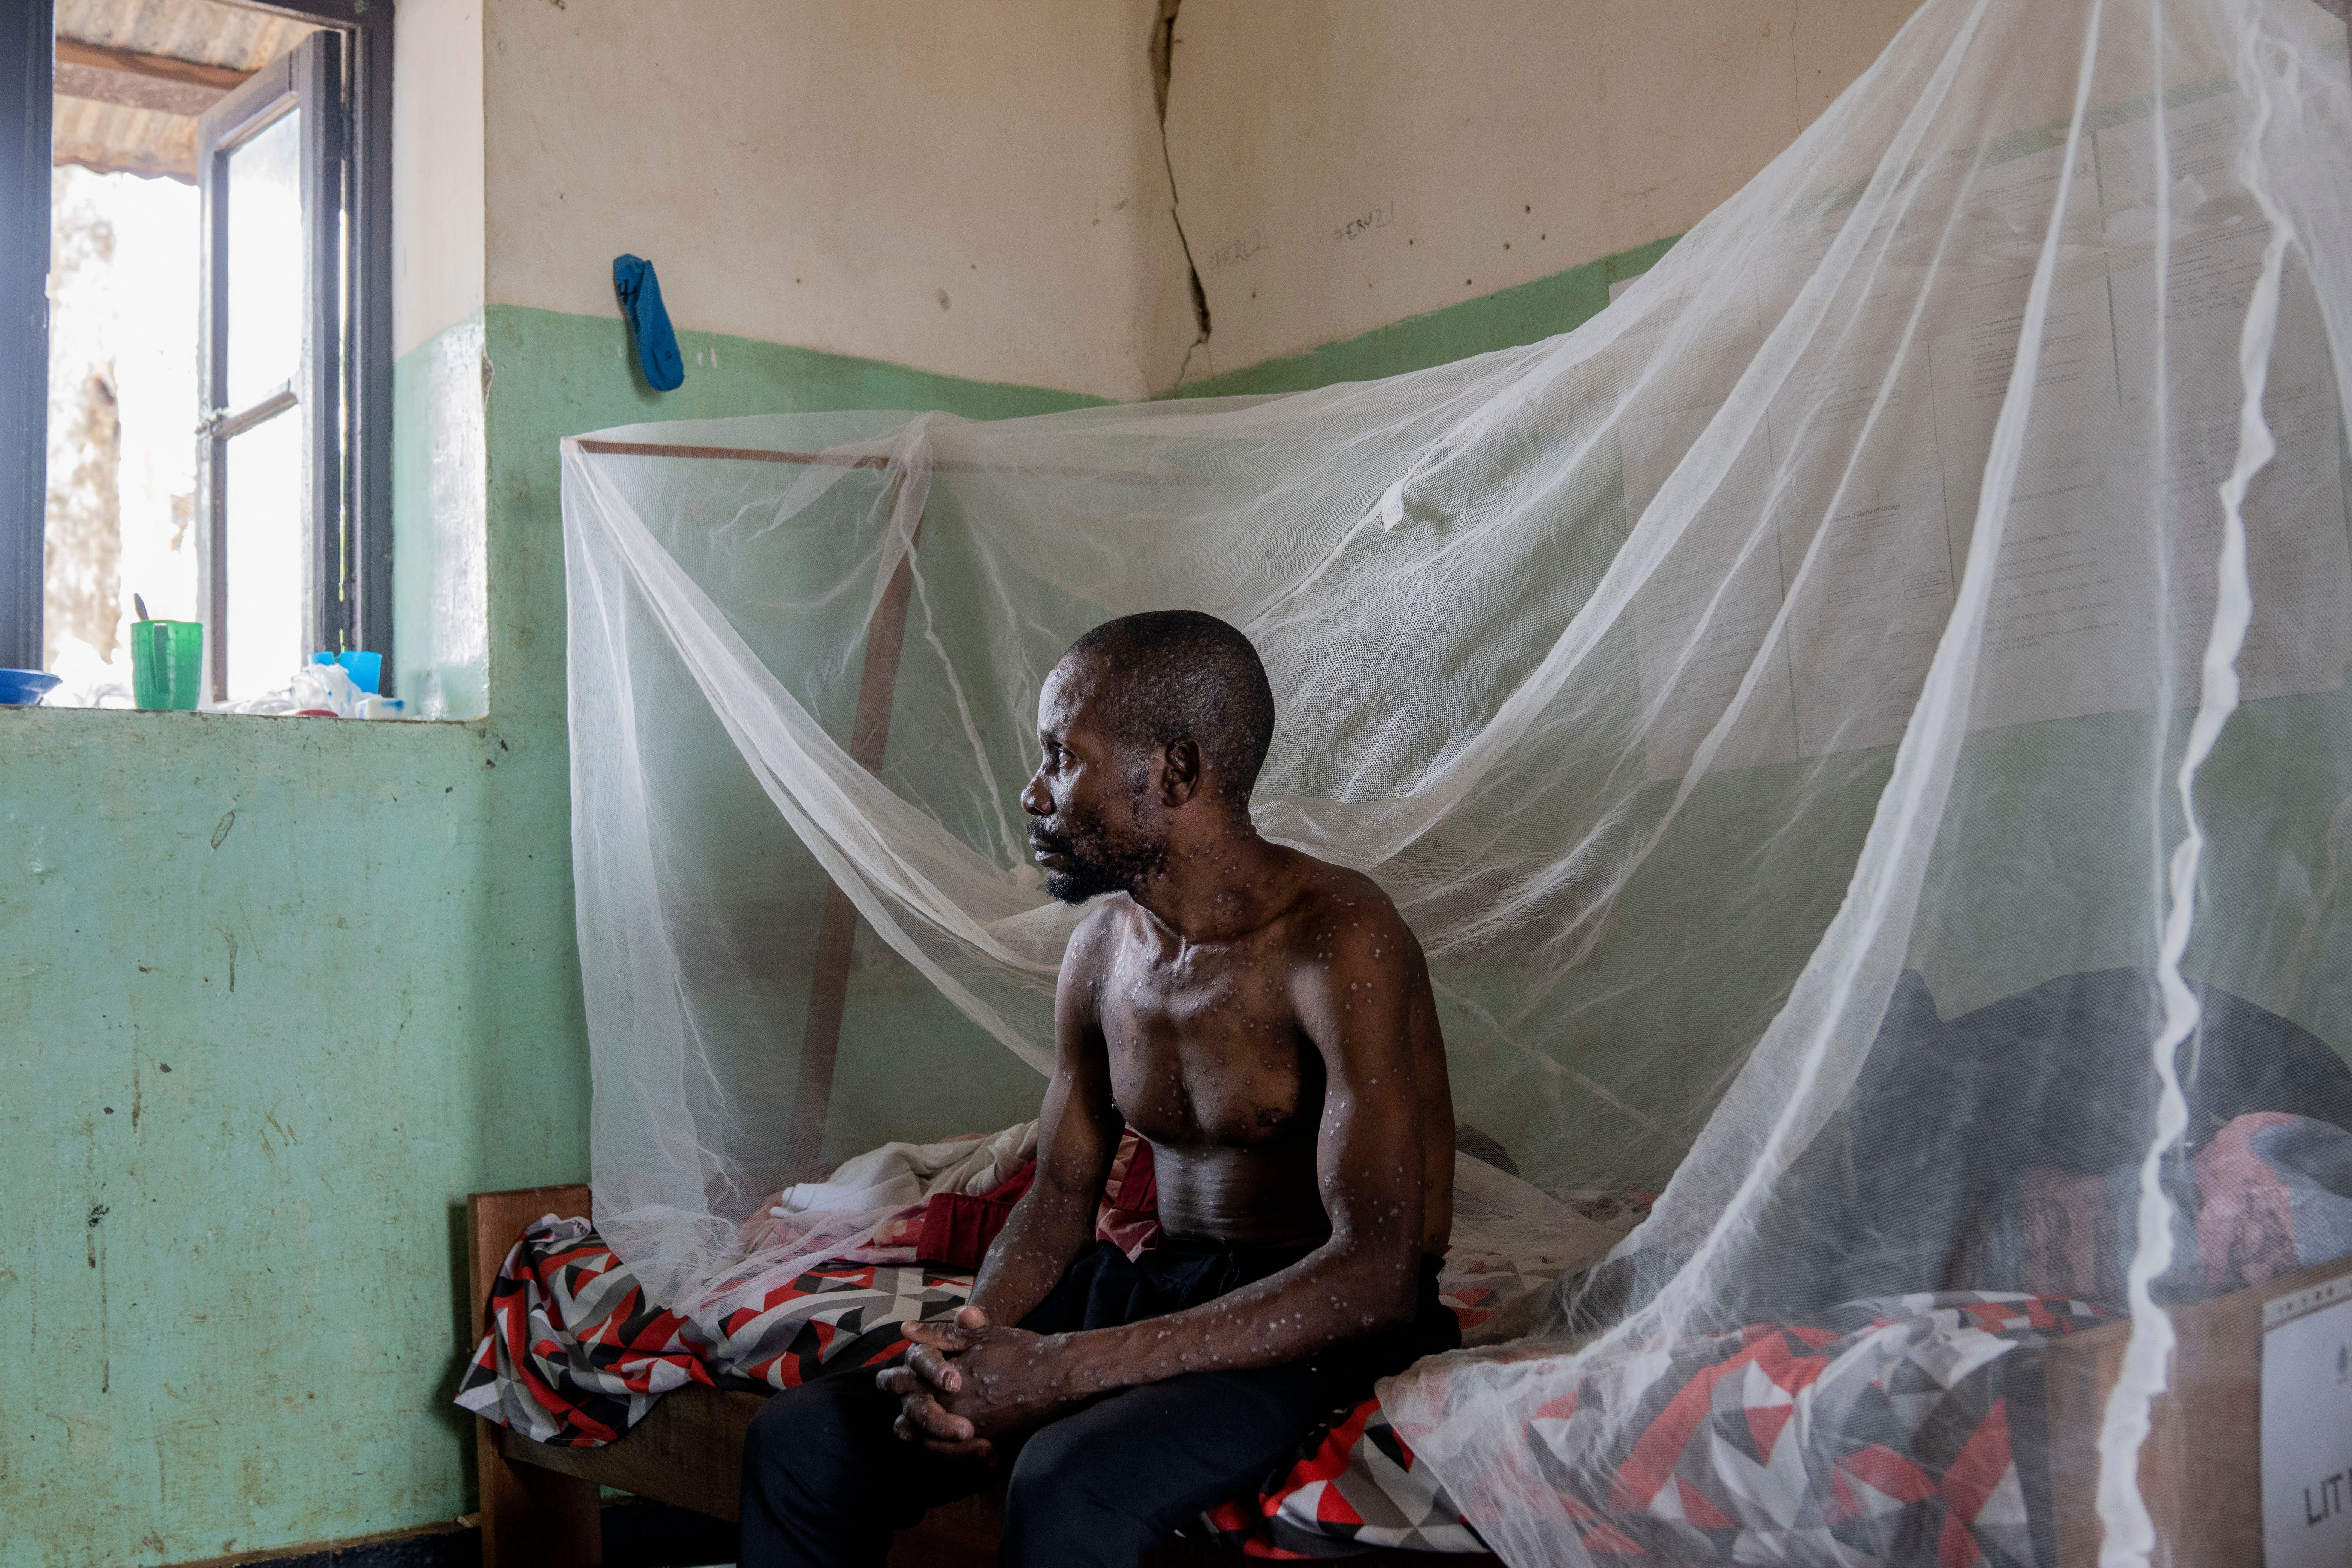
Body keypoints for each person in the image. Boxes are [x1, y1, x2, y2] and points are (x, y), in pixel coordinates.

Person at [738, 610, 1457, 1568]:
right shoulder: (1103, 952)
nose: (1033, 793)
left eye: (1061, 758)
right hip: (1159, 1284)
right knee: (799, 1442)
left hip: (1314, 1320)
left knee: (1067, 1476)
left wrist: (1065, 1370)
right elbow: (1056, 1203)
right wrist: (971, 1351)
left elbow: (1376, 1271)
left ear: (1178, 771)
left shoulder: (1338, 938)